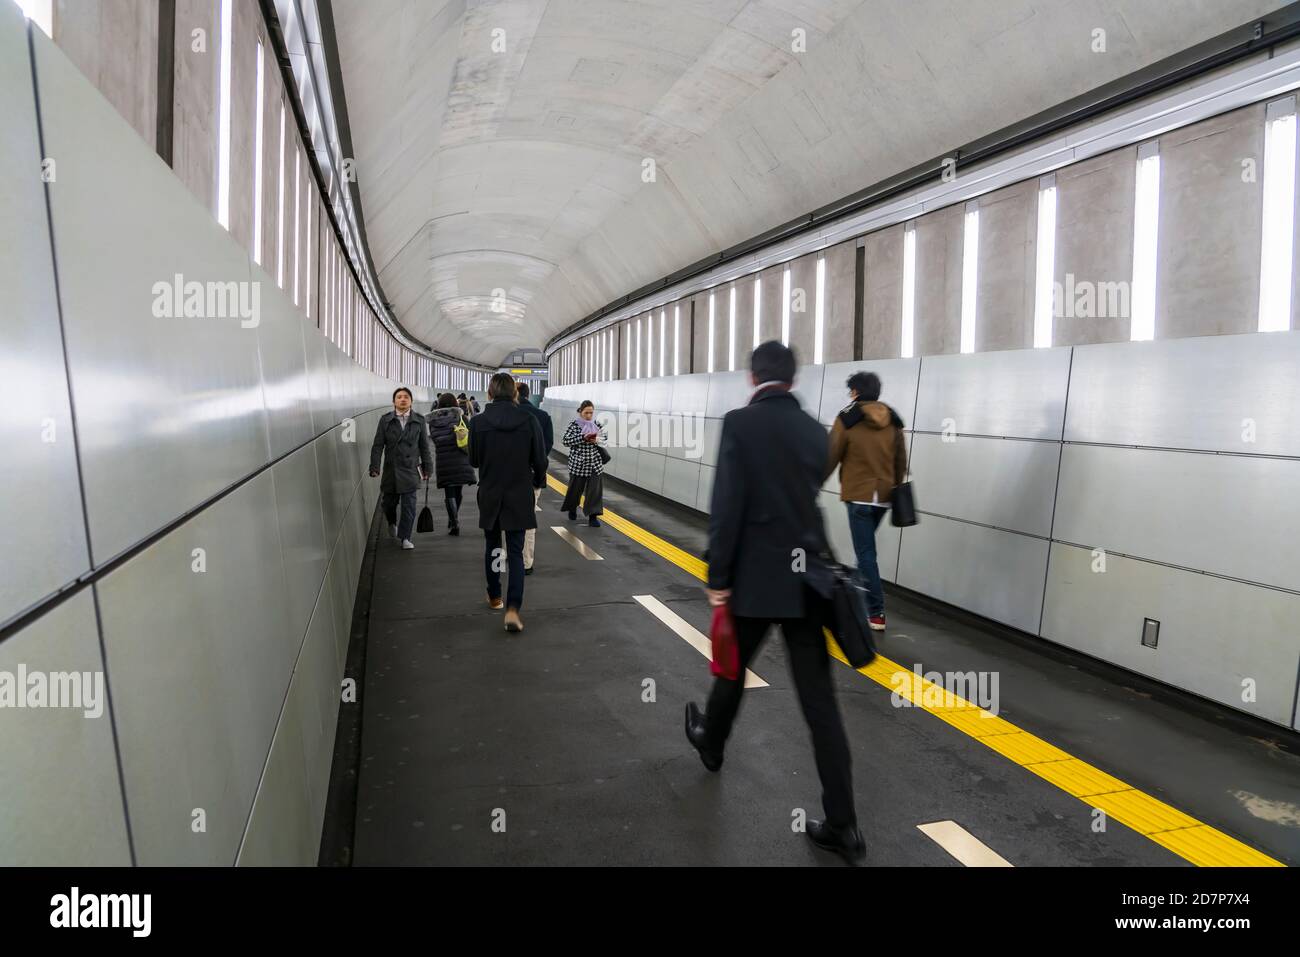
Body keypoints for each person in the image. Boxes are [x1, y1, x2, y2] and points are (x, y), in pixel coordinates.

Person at [683, 341, 864, 865]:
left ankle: (711, 741)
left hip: (756, 579)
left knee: (733, 670)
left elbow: (728, 506)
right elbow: (801, 498)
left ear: (752, 376)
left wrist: (718, 576)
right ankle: (844, 825)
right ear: (792, 377)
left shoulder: (741, 424)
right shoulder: (815, 433)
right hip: (806, 581)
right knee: (820, 706)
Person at [824, 371, 908, 632]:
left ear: (856, 392)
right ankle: (858, 603)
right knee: (865, 552)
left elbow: (831, 454)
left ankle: (876, 612)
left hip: (859, 495)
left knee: (866, 554)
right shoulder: (893, 419)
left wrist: (812, 483)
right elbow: (900, 461)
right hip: (883, 498)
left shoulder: (848, 419)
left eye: (851, 390)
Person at [468, 373, 546, 633]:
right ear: (515, 394)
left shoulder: (478, 423)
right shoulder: (529, 419)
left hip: (490, 491)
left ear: (489, 393)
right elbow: (540, 459)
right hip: (519, 492)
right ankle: (513, 609)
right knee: (515, 551)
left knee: (493, 546)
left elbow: (474, 460)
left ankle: (495, 596)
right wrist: (537, 480)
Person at [368, 387, 433, 550]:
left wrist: (428, 468)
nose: (402, 399)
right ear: (394, 402)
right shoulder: (385, 420)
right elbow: (377, 446)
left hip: (411, 469)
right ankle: (391, 521)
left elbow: (424, 447)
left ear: (411, 401)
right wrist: (375, 466)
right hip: (392, 469)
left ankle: (405, 537)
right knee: (389, 503)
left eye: (406, 397)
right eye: (399, 397)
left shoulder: (419, 420)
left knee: (409, 506)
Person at [516, 381, 553, 575]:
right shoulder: (543, 416)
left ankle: (507, 554)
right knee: (528, 518)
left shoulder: (507, 416)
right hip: (532, 476)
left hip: (508, 476)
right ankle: (526, 561)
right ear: (528, 395)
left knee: (507, 518)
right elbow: (545, 448)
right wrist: (538, 475)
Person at [429, 393, 476, 536]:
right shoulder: (462, 418)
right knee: (458, 491)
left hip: (444, 459)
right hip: (461, 458)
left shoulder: (434, 421)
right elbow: (470, 437)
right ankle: (454, 519)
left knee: (449, 491)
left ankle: (454, 521)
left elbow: (435, 438)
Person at [560, 401, 605, 527]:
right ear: (580, 412)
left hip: (594, 464)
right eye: (586, 413)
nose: (589, 415)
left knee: (594, 492)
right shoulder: (574, 425)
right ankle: (572, 508)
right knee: (575, 490)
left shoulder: (597, 424)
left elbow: (604, 439)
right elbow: (565, 441)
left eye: (591, 412)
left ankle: (593, 516)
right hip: (578, 464)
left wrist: (597, 440)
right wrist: (582, 437)